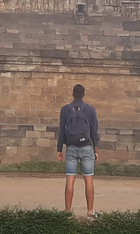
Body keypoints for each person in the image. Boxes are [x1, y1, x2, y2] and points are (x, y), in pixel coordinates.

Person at [57, 84, 99, 218]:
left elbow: (61, 131)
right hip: (87, 147)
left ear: (73, 94)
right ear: (84, 94)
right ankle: (90, 211)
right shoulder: (90, 109)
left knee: (70, 179)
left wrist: (59, 149)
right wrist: (96, 149)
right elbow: (94, 131)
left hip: (71, 148)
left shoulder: (65, 109)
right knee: (89, 180)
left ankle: (68, 211)